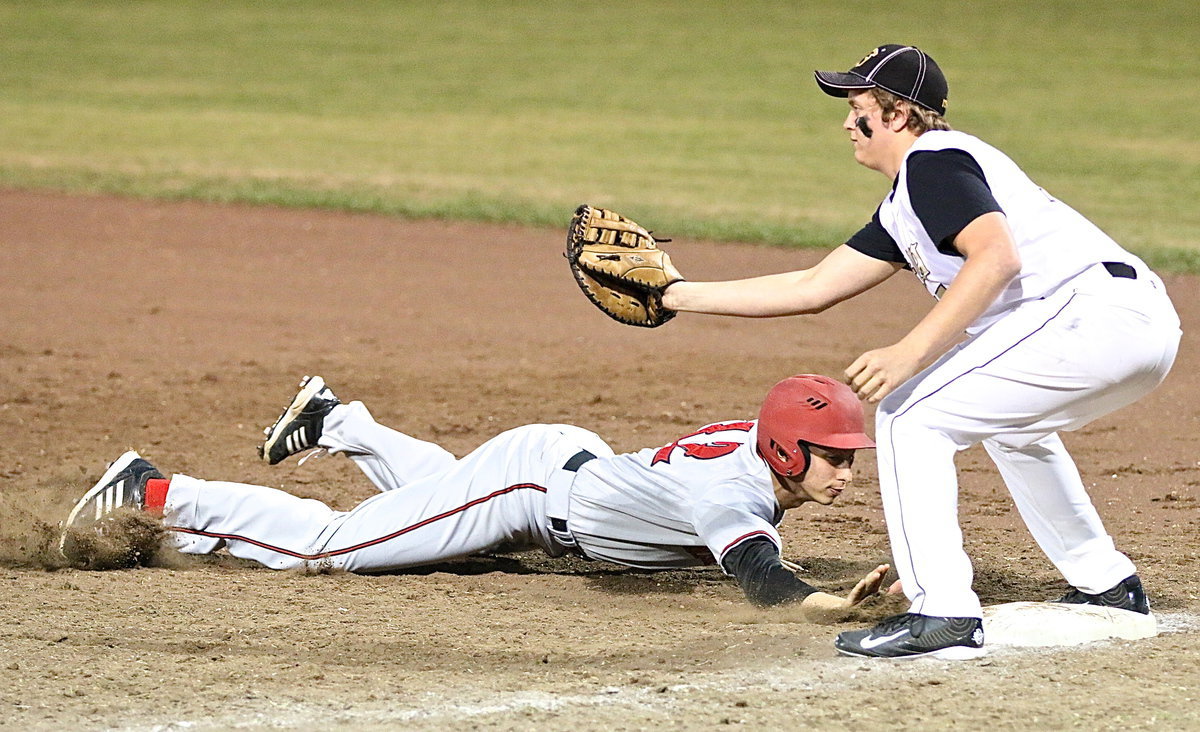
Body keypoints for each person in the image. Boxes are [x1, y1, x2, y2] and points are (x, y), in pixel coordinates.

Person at [657, 44, 1181, 658]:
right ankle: (1107, 584)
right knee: (1015, 432)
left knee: (908, 415)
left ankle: (943, 611)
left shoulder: (932, 161)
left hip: (1090, 316)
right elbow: (813, 287)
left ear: (898, 114)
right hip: (1125, 323)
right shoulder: (908, 200)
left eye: (858, 109)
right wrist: (674, 295)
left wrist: (911, 350)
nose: (847, 124)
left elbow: (997, 257)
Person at [61, 374, 891, 621]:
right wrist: (821, 605)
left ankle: (335, 421)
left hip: (550, 474)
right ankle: (159, 493)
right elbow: (763, 582)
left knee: (441, 502)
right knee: (332, 546)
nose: (845, 472)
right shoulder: (733, 495)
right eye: (832, 456)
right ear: (786, 447)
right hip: (529, 489)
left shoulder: (753, 446)